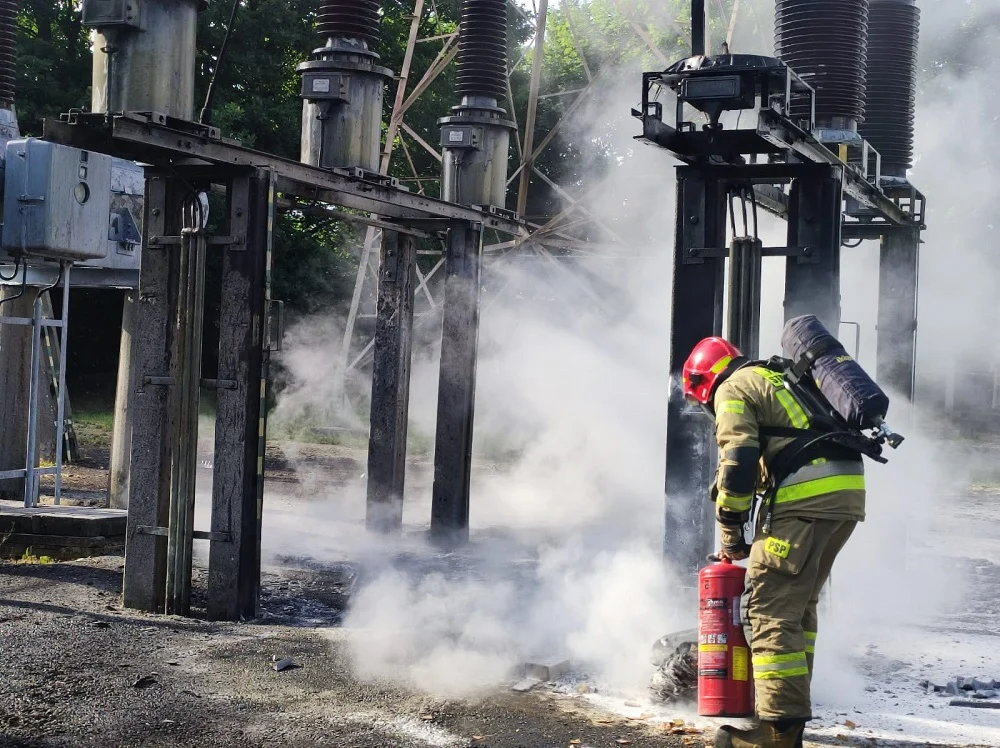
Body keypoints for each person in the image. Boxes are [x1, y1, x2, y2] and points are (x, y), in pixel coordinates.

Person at [681, 336, 866, 748]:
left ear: (703, 382)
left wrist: (730, 532)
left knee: (768, 610)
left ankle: (777, 733)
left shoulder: (731, 389)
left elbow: (739, 460)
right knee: (798, 609)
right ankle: (789, 719)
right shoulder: (778, 376)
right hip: (845, 497)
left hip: (805, 499)